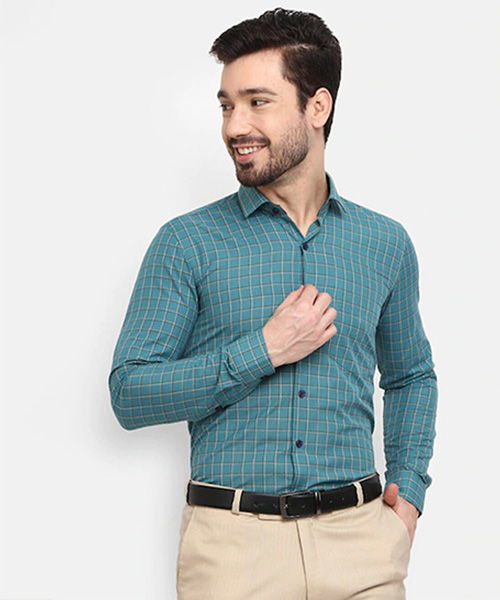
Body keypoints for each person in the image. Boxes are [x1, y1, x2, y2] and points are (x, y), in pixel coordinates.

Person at [109, 8, 437, 600]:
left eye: (257, 102)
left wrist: (408, 494)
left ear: (318, 107)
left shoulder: (384, 243)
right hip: (233, 553)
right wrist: (262, 350)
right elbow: (130, 392)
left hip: (360, 544)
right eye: (226, 106)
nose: (235, 126)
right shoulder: (187, 242)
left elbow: (411, 375)